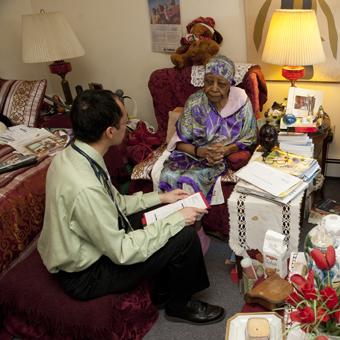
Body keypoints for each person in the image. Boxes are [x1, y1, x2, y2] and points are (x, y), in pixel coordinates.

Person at [37, 89, 225, 325]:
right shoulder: (85, 187)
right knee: (184, 234)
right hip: (86, 274)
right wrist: (178, 218)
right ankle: (179, 305)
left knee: (164, 217)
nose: (130, 125)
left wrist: (162, 198)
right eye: (126, 121)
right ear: (110, 131)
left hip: (95, 242)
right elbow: (122, 252)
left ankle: (163, 293)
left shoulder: (76, 154)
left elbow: (115, 203)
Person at [159, 55, 257, 251]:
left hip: (217, 159)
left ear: (230, 83)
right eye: (208, 81)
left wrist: (226, 150)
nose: (213, 88)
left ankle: (197, 234)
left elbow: (250, 137)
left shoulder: (241, 101)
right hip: (191, 153)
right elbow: (180, 142)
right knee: (169, 175)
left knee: (190, 180)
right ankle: (177, 233)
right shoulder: (195, 102)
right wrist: (201, 151)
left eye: (221, 83)